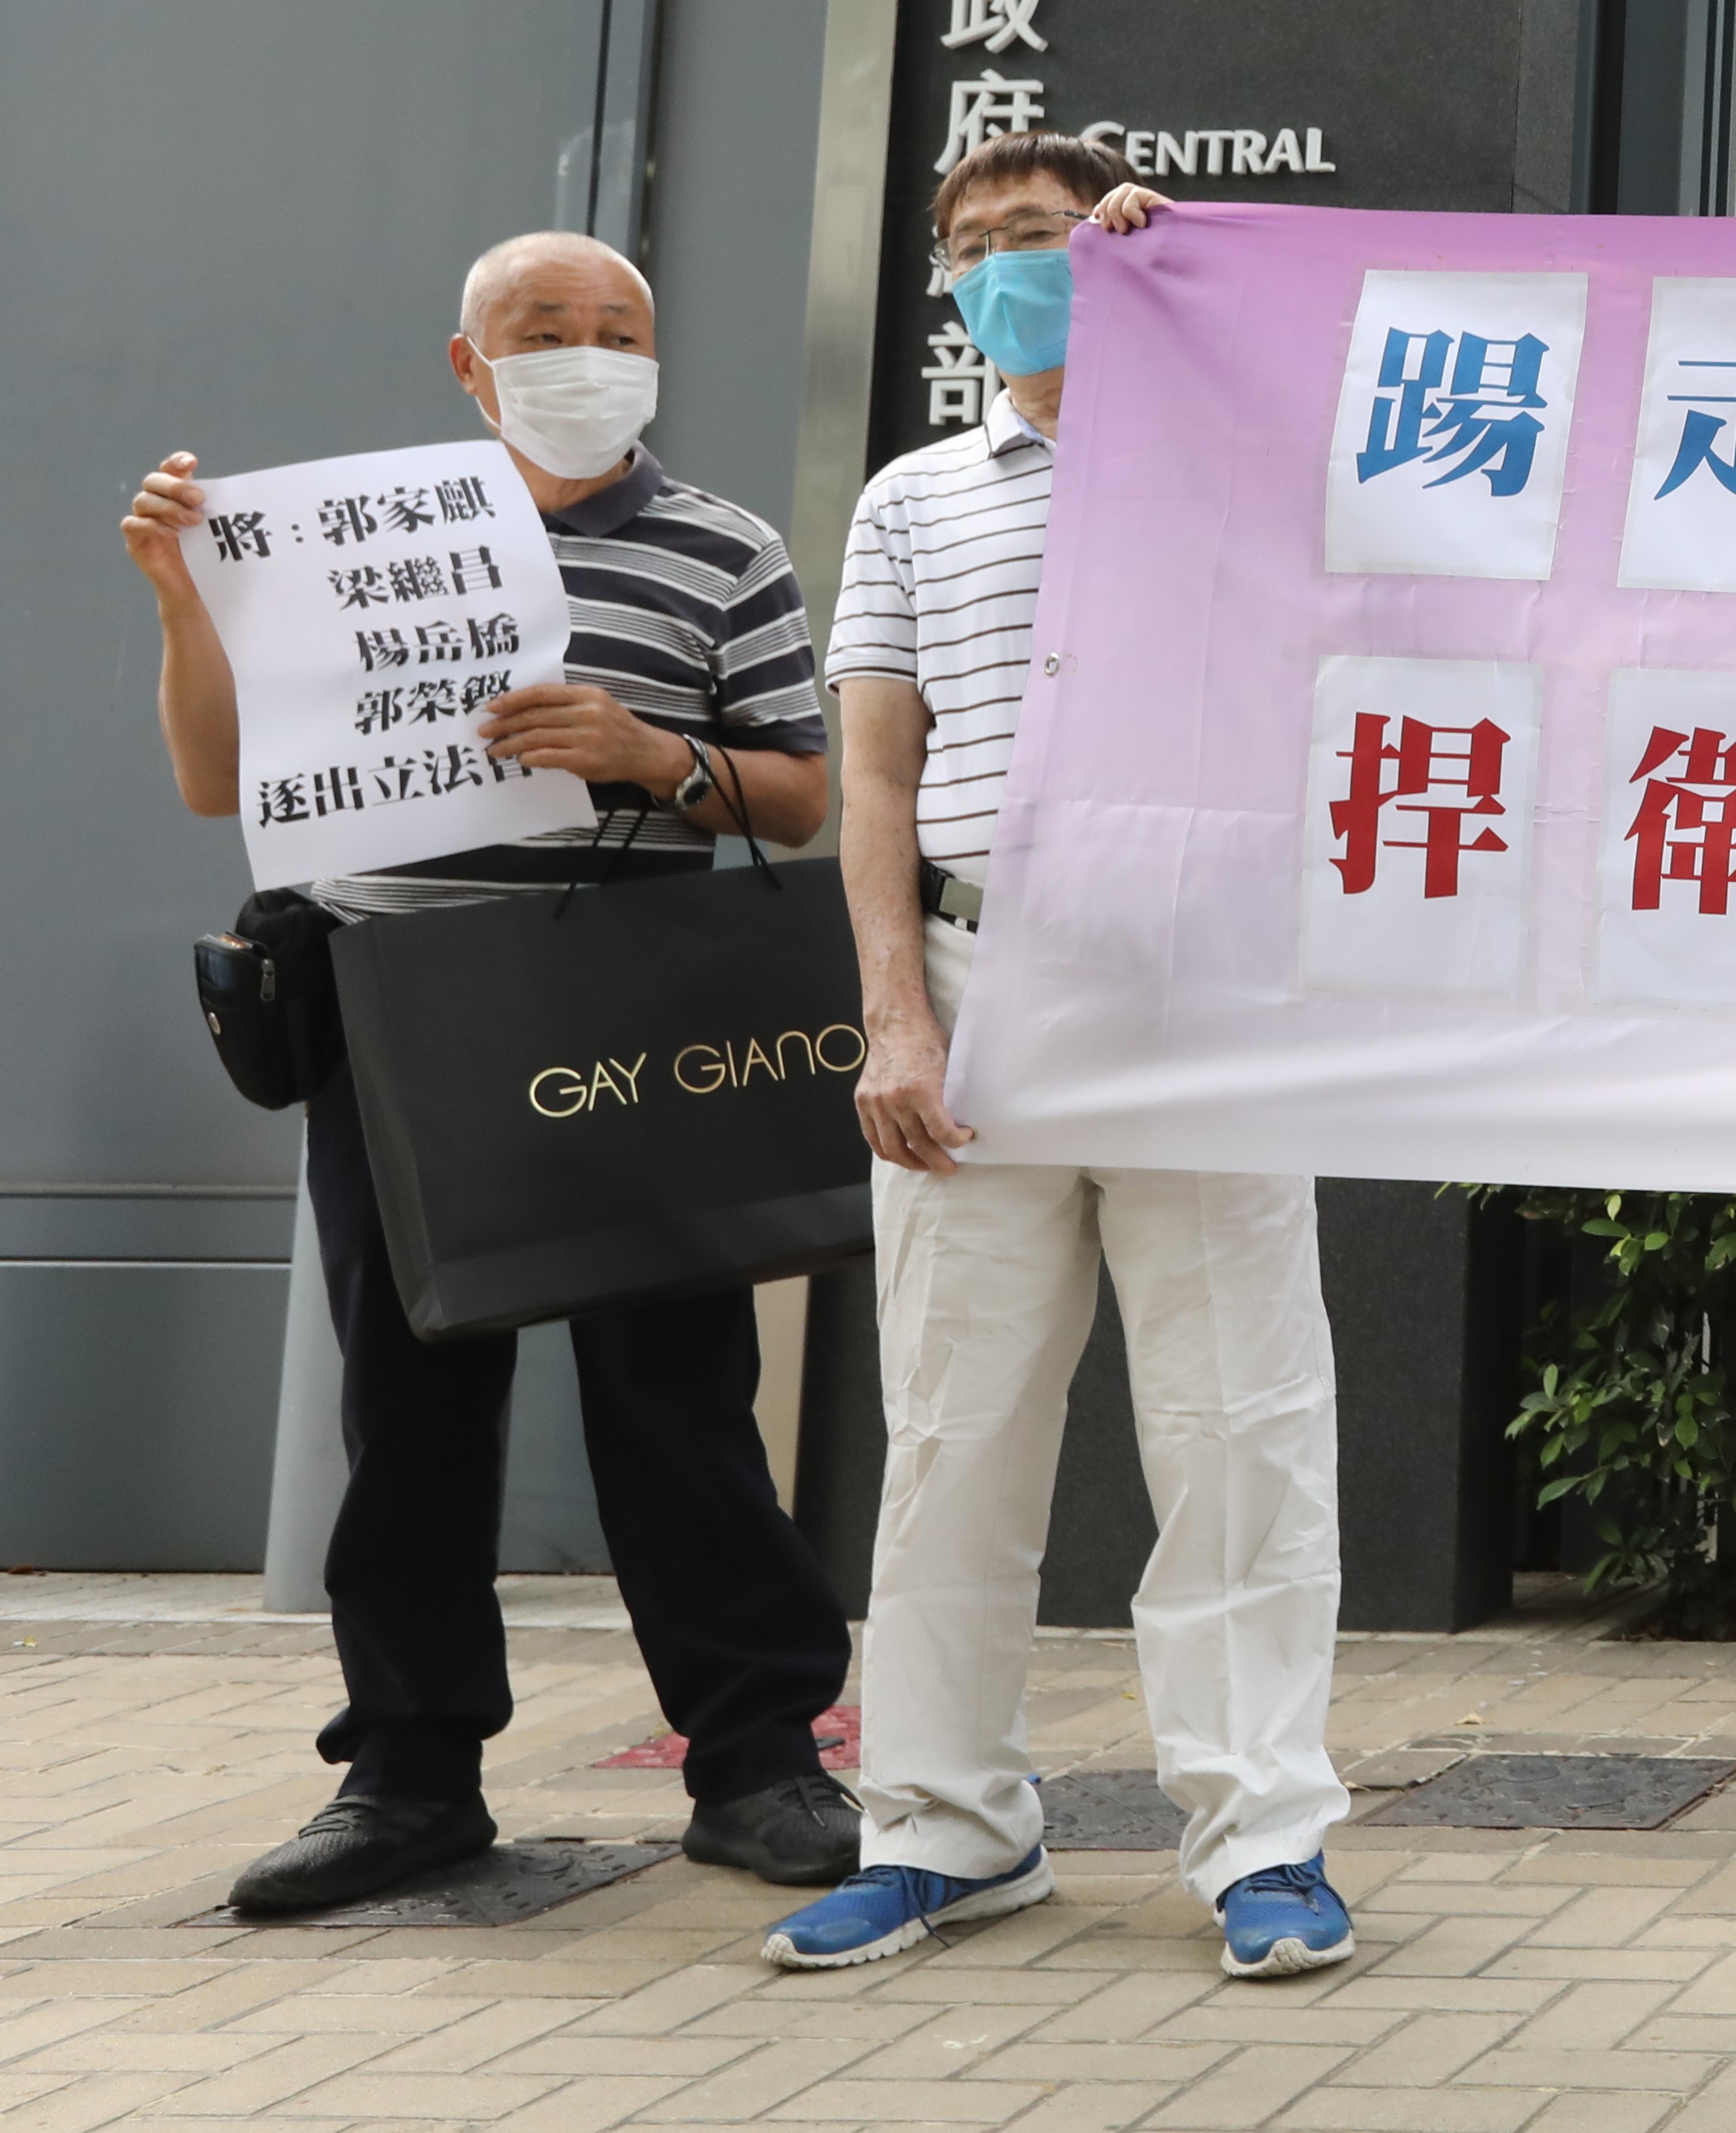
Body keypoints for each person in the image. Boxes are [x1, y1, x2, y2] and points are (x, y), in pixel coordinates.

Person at [117, 233, 862, 1916]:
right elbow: (216, 778)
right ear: (470, 363)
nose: (586, 354)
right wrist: (180, 592)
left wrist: (653, 757)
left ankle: (758, 1757)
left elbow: (801, 796)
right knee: (407, 1405)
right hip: (397, 1012)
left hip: (634, 1011)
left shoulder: (724, 546)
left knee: (677, 1395)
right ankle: (407, 1775)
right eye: (545, 330)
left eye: (617, 329)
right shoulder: (337, 541)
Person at [760, 134, 1358, 1980]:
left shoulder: (1246, 460)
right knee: (954, 1435)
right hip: (977, 982)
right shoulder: (914, 501)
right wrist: (894, 1011)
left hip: (1205, 993)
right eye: (973, 249)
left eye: (1044, 235)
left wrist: (1207, 293)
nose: (1006, 269)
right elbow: (875, 772)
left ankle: (1264, 1838)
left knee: (1240, 1434)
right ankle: (943, 1831)